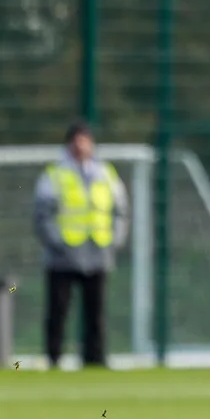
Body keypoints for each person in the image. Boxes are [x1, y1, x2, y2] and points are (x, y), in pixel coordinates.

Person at [33, 121, 128, 368]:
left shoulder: (105, 173)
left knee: (96, 312)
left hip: (97, 250)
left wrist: (114, 242)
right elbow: (42, 215)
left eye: (85, 140)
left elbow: (120, 211)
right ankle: (53, 357)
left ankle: (95, 359)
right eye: (77, 140)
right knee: (58, 309)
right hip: (63, 253)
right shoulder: (55, 174)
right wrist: (57, 242)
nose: (81, 145)